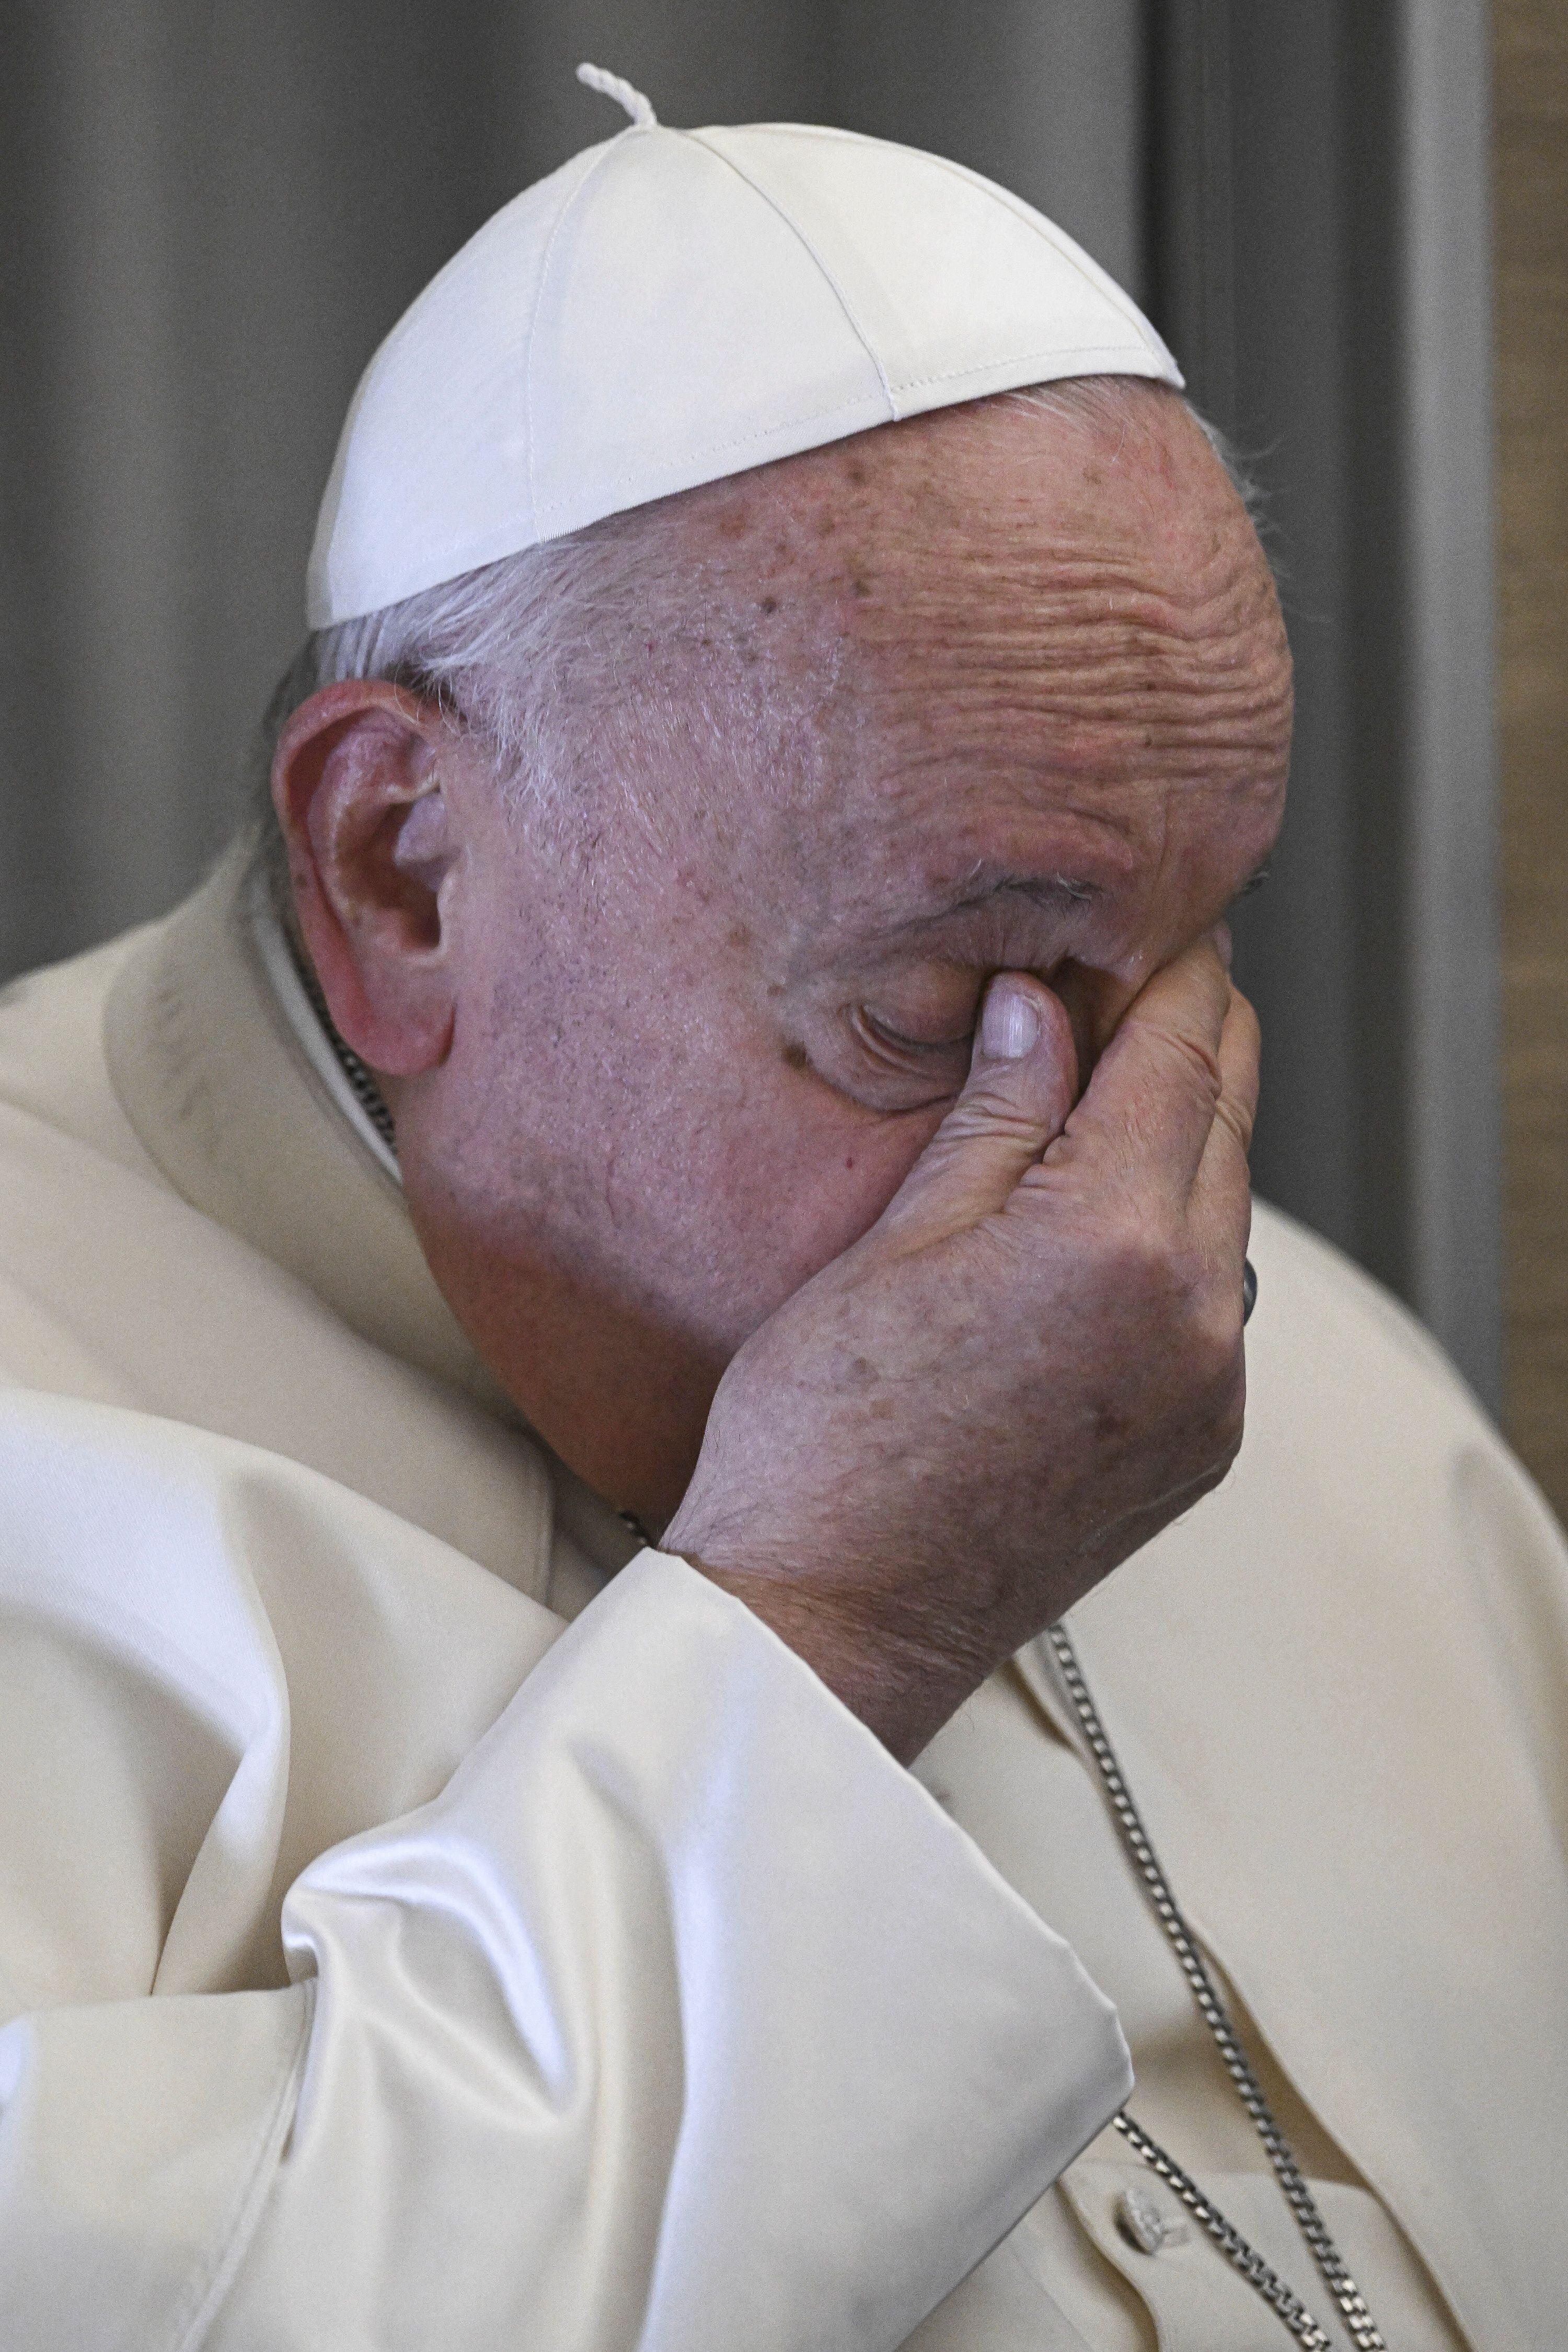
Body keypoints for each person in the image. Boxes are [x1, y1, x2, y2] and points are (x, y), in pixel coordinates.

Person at [1, 73, 1562, 2352]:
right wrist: (835, 1617)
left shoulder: (1322, 1376)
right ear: (401, 875)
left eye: (1199, 948)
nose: (1143, 1210)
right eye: (956, 1004)